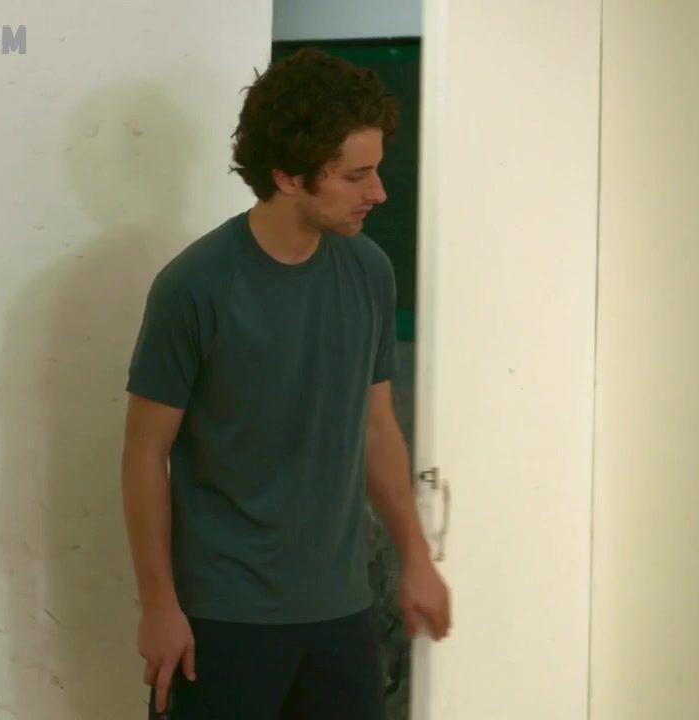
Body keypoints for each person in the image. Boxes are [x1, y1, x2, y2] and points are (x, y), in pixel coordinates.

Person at [120, 48, 451, 719]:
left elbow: (377, 427)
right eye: (356, 176)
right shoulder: (194, 288)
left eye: (376, 169)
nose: (379, 193)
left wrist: (416, 556)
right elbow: (144, 455)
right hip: (221, 619)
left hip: (341, 615)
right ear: (288, 176)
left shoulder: (369, 272)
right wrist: (158, 606)